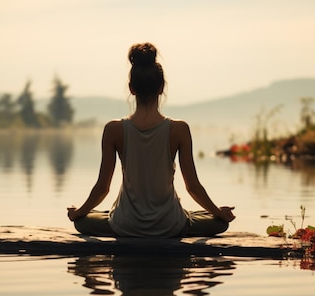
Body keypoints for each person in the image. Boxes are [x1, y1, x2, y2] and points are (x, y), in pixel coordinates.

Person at [67, 42, 235, 237]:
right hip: (169, 224)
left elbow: (102, 188)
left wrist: (78, 213)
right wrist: (218, 213)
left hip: (126, 224)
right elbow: (193, 188)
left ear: (131, 88)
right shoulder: (179, 129)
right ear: (162, 87)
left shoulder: (114, 130)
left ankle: (108, 217)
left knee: (82, 222)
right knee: (219, 224)